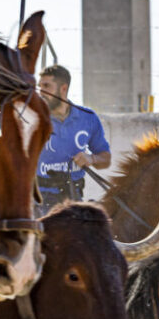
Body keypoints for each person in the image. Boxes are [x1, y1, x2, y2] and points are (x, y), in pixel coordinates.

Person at [35, 64, 111, 213]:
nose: (40, 92)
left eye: (46, 86)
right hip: (40, 202)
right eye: (39, 86)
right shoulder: (33, 119)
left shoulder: (88, 118)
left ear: (63, 89)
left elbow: (106, 159)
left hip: (74, 199)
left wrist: (92, 159)